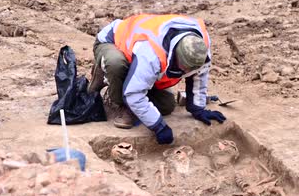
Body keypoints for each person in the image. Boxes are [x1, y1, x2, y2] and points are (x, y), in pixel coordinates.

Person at [88, 14, 226, 145]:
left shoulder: (201, 47)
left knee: (166, 106)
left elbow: (199, 75)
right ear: (175, 55)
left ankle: (132, 79)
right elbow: (134, 94)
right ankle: (108, 80)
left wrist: (198, 108)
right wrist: (159, 126)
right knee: (116, 65)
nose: (187, 72)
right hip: (113, 41)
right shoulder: (152, 53)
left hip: (139, 56)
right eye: (185, 67)